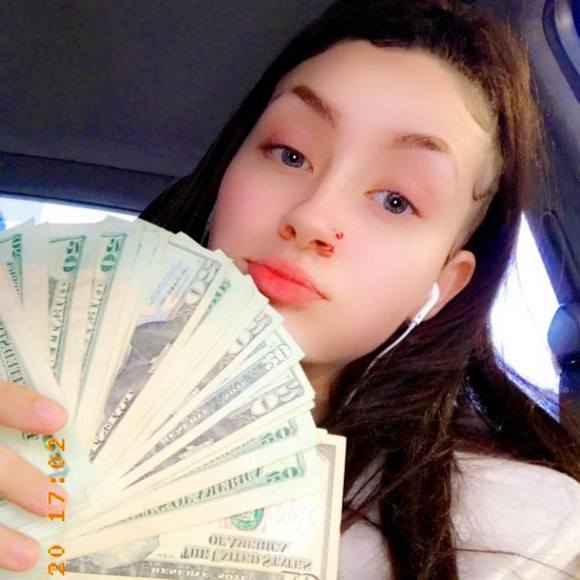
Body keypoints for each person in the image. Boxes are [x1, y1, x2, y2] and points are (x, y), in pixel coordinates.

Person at [0, 0, 579, 578]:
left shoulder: (527, 539)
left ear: (442, 287)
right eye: (290, 153)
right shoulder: (22, 382)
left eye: (396, 200)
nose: (312, 216)